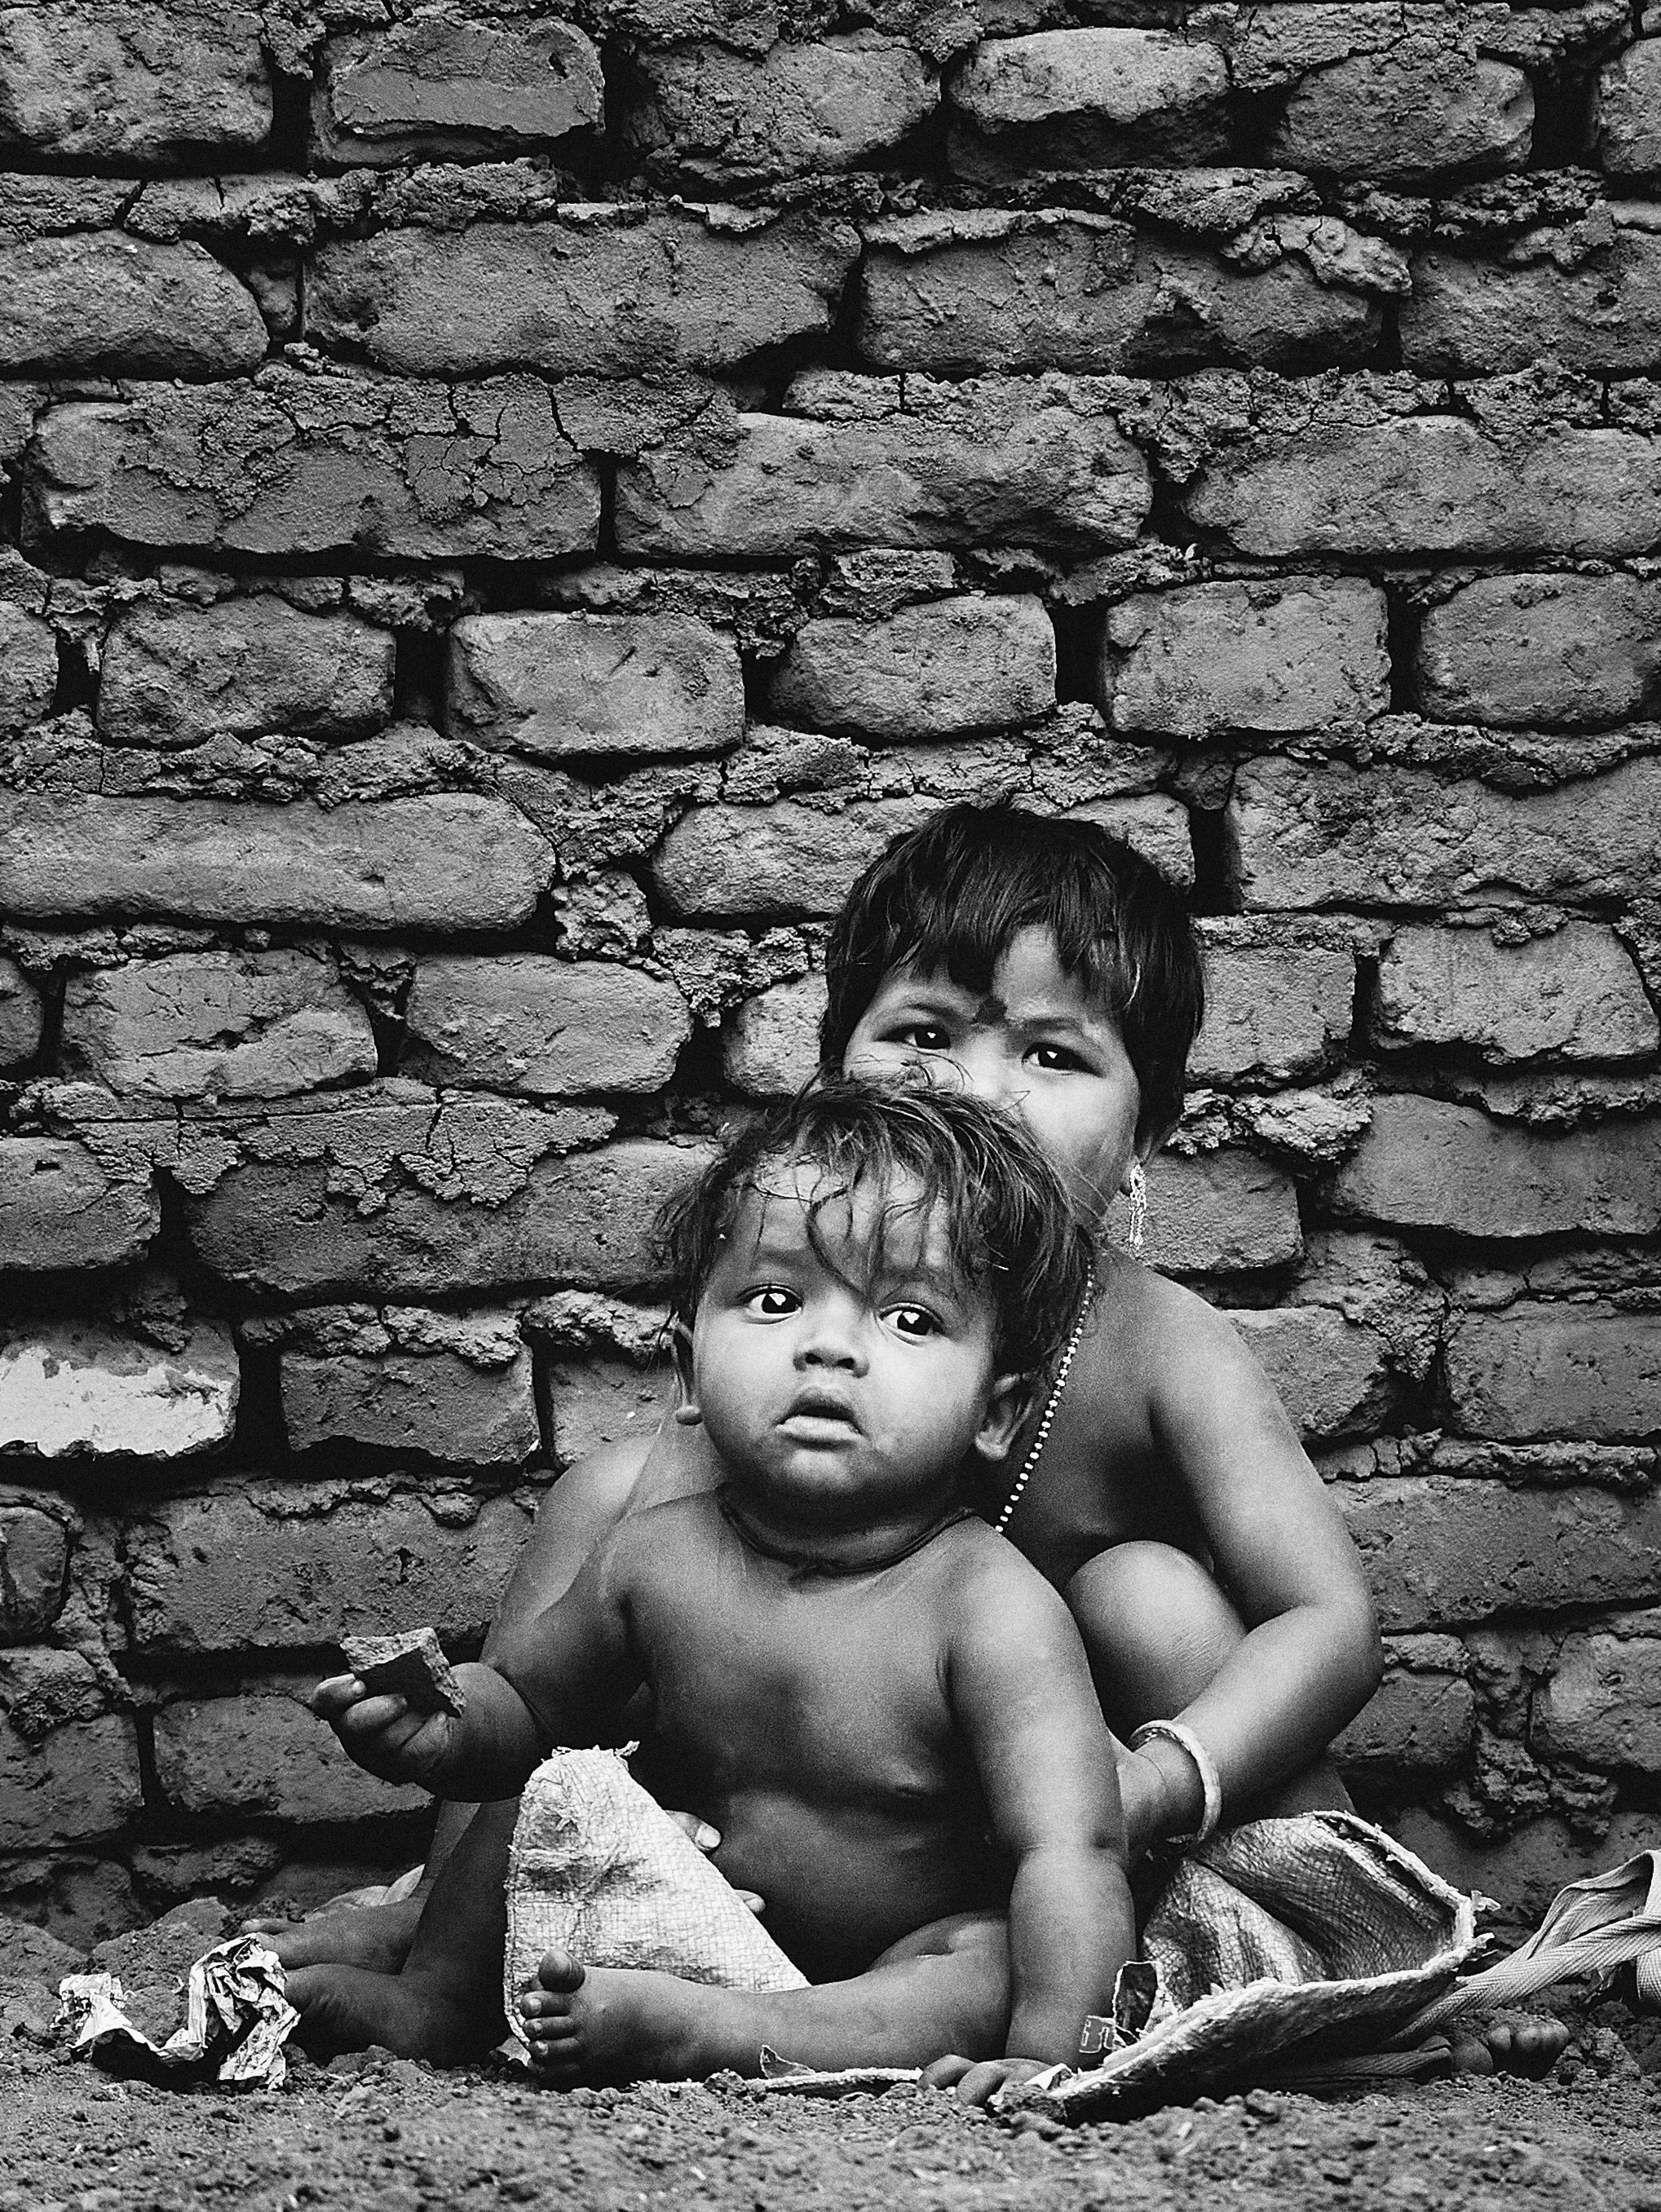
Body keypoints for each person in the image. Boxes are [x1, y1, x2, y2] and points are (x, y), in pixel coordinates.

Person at [270, 801, 1557, 2074]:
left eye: (1053, 1056)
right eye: (925, 1035)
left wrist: (1156, 1784)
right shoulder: (806, 1337)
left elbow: (1328, 1626)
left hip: (1068, 1835)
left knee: (1150, 1596)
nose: (978, 1091)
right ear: (838, 1078)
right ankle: (453, 1957)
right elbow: (566, 1686)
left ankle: (1377, 1969)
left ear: (1148, 1134)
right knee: (616, 1505)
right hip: (807, 1807)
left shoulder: (1157, 1344)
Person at [308, 1082, 1134, 2091]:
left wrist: (1051, 2054)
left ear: (996, 1411)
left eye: (910, 1318)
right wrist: (446, 1729)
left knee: (987, 1962)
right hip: (672, 1910)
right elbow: (530, 1707)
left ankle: (716, 2032)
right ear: (692, 1374)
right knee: (557, 1791)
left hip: (887, 1964)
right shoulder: (653, 1555)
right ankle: (441, 1996)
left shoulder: (991, 1609)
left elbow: (1073, 1851)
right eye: (777, 1300)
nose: (830, 1346)